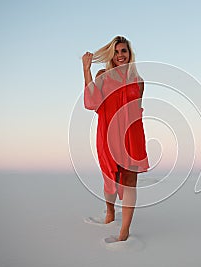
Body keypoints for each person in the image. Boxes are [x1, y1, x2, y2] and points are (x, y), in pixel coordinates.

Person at [82, 36, 149, 241]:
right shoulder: (103, 75)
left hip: (132, 134)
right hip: (109, 133)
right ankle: (110, 209)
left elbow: (136, 109)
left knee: (130, 181)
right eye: (117, 52)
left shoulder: (138, 80)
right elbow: (92, 102)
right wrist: (87, 71)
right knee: (112, 177)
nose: (121, 55)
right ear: (112, 55)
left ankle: (124, 231)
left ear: (130, 54)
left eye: (124, 51)